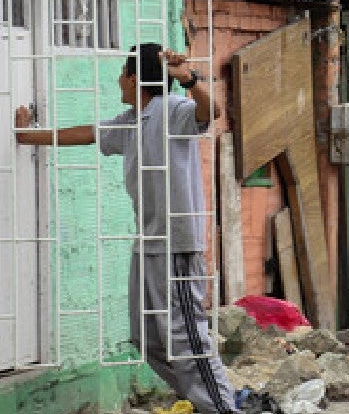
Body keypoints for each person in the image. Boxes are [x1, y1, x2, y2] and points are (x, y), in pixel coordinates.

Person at [14, 44, 237, 414]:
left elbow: (209, 111)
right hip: (147, 244)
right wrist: (27, 137)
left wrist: (190, 80)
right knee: (146, 338)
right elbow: (88, 133)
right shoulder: (134, 120)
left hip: (176, 245)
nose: (118, 79)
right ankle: (204, 400)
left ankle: (221, 408)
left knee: (185, 339)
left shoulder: (171, 109)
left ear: (135, 79)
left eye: (121, 72)